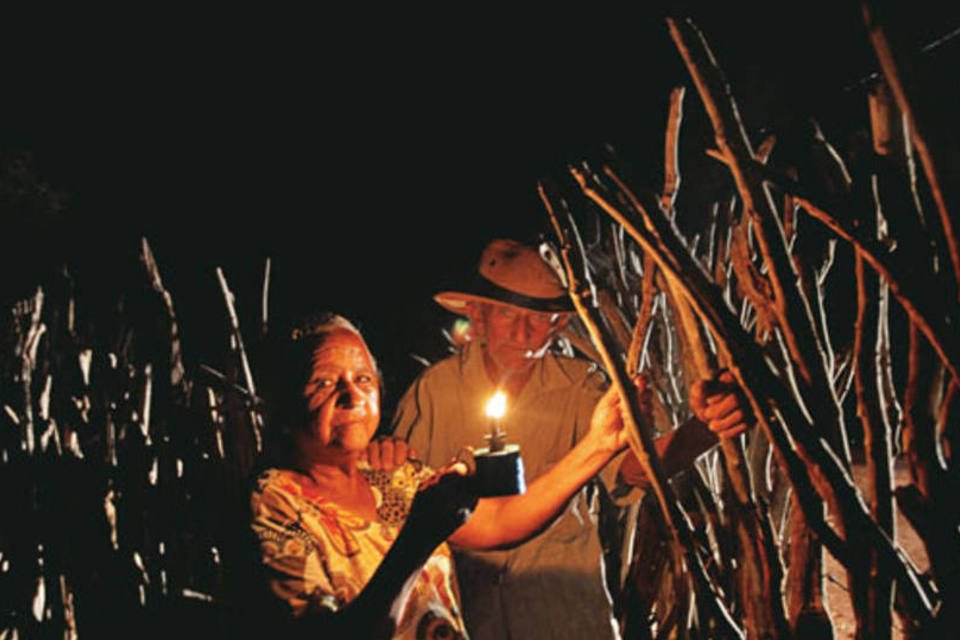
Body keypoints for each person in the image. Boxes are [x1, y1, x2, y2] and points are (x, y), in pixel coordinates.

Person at [391, 238, 749, 640]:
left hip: (562, 614)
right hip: (463, 620)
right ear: (478, 313)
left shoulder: (583, 388)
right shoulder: (433, 393)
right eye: (508, 313)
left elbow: (637, 469)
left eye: (539, 317)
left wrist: (704, 429)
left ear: (559, 324)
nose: (523, 332)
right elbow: (394, 500)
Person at [248, 313, 643, 639]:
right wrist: (419, 537)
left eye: (363, 379)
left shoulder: (392, 477)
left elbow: (502, 523)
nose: (352, 395)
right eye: (324, 382)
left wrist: (598, 446)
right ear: (285, 403)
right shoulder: (275, 505)